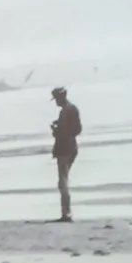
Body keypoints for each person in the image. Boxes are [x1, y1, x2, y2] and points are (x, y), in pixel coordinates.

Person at [49, 87, 82, 222]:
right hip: (68, 147)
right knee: (63, 181)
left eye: (56, 98)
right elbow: (75, 129)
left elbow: (76, 129)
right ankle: (66, 213)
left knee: (63, 182)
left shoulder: (69, 110)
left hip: (65, 148)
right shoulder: (68, 110)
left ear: (61, 97)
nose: (56, 101)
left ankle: (66, 214)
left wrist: (58, 131)